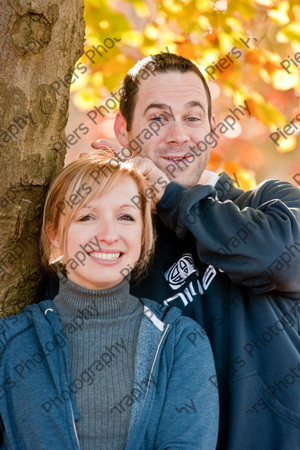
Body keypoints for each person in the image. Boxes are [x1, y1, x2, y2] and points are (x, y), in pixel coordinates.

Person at [83, 53, 300, 449]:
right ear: (123, 130)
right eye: (157, 119)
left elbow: (283, 261)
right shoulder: (115, 260)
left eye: (193, 118)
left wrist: (168, 195)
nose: (178, 135)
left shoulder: (270, 203)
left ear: (212, 129)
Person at [0, 150, 218, 449]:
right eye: (87, 216)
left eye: (126, 217)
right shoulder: (10, 343)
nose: (108, 235)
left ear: (143, 234)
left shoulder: (180, 342)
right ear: (54, 234)